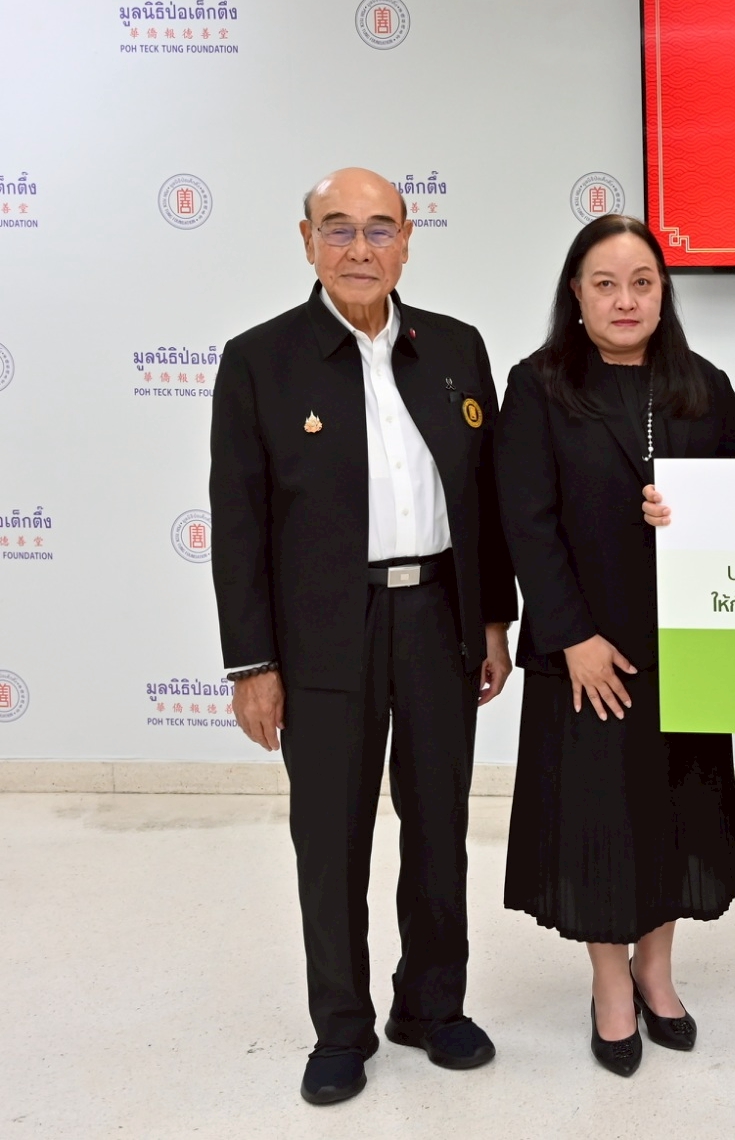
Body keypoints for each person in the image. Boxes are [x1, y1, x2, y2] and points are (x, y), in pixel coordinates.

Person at [210, 168, 516, 1106]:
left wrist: (493, 618)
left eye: (379, 229)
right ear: (306, 241)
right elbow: (240, 524)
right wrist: (253, 664)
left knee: (439, 826)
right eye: (337, 229)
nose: (358, 248)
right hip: (322, 636)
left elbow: (485, 499)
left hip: (440, 619)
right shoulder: (260, 360)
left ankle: (432, 1005)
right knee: (331, 835)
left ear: (408, 240)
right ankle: (341, 1027)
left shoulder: (456, 347)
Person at [496, 215, 735, 1078]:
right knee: (598, 819)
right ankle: (610, 983)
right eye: (605, 283)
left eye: (642, 282)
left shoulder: (706, 386)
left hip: (685, 644)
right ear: (576, 292)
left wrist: (697, 512)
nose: (625, 300)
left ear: (663, 292)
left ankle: (656, 971)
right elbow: (525, 522)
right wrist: (572, 636)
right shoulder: (538, 385)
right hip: (586, 652)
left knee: (676, 812)